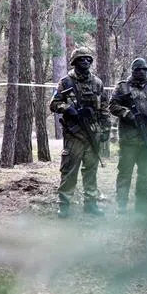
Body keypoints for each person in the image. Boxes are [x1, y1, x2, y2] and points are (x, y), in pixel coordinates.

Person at [49, 47, 109, 218]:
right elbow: (53, 104)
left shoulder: (97, 83)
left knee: (91, 170)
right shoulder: (65, 82)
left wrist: (105, 130)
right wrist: (69, 109)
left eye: (88, 59)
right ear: (74, 62)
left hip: (92, 134)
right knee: (69, 171)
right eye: (81, 59)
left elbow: (104, 107)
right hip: (74, 135)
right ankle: (64, 205)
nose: (85, 62)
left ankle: (91, 204)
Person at [110, 58, 147, 213]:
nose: (141, 72)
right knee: (125, 173)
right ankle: (121, 206)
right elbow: (112, 106)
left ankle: (141, 207)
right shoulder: (122, 87)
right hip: (129, 140)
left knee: (144, 175)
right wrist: (128, 114)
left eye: (144, 69)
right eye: (138, 69)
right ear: (132, 70)